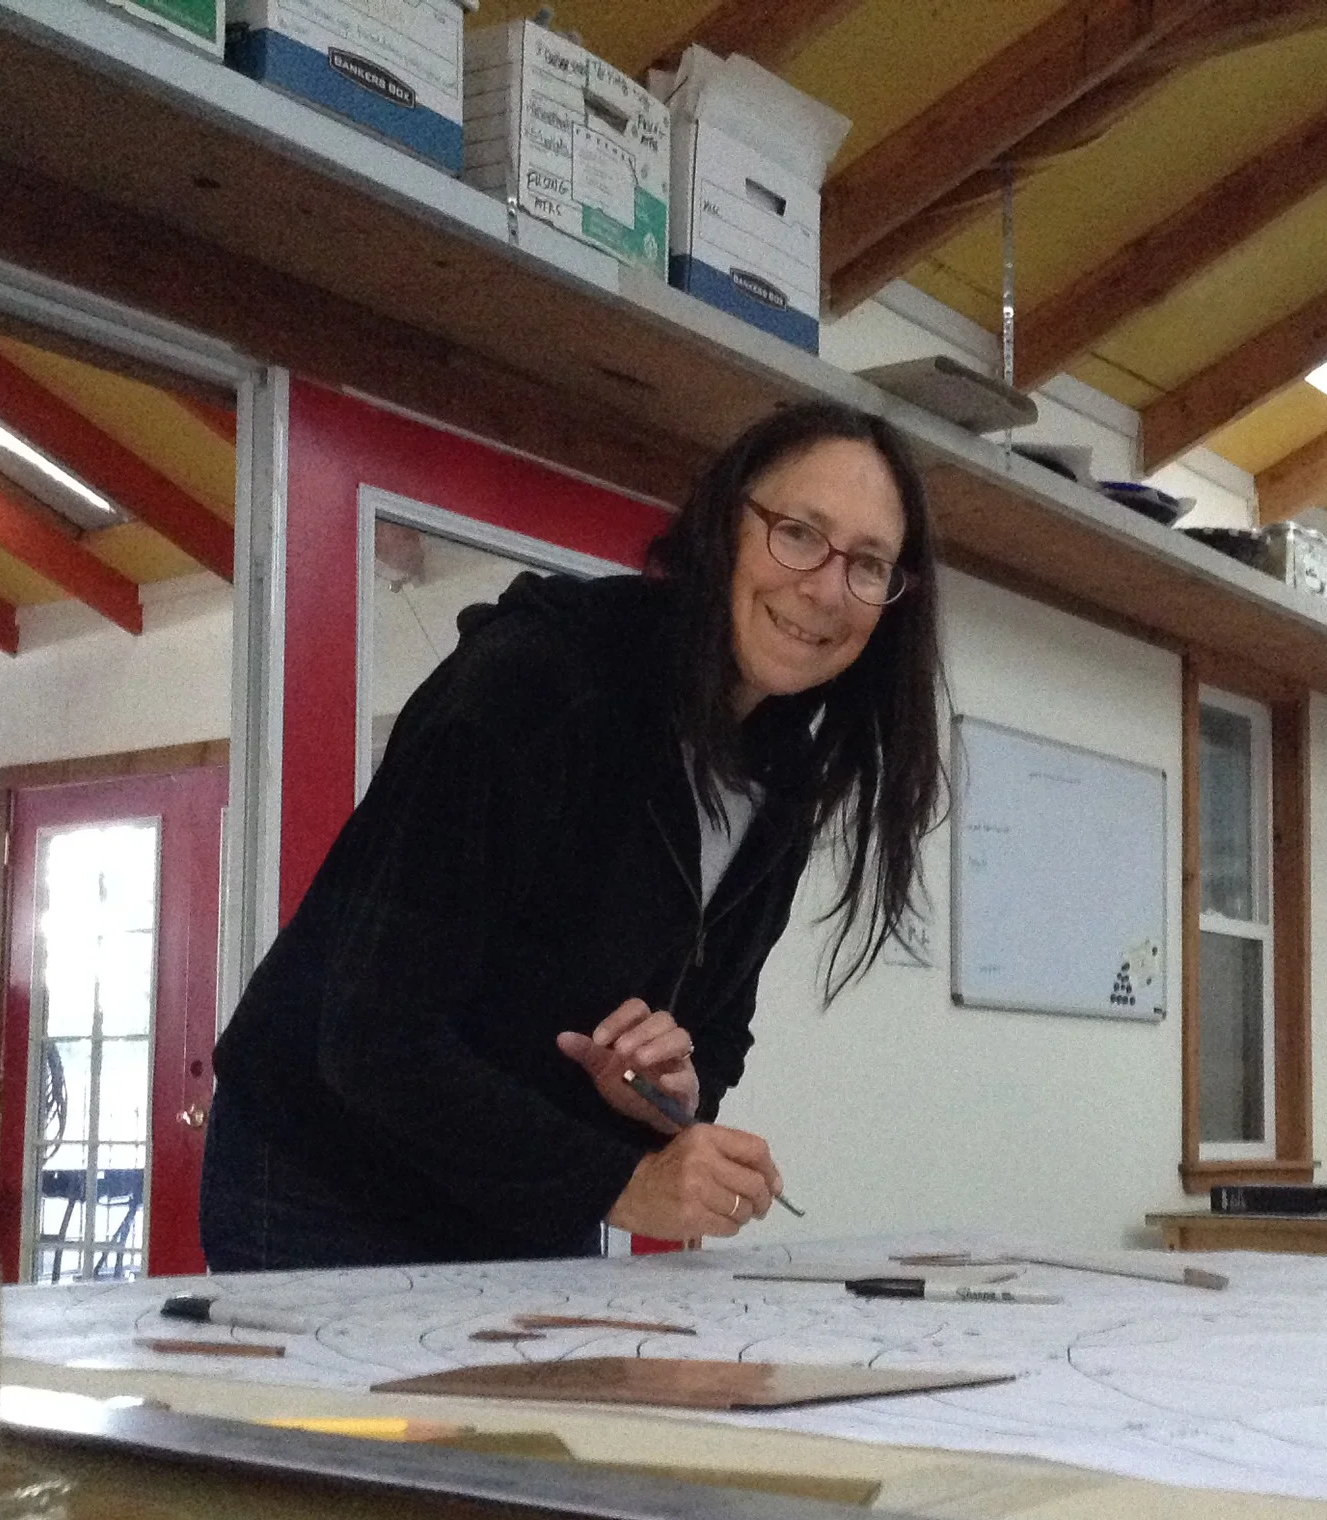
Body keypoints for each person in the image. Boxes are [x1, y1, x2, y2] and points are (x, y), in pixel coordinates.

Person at [200, 401, 945, 1270]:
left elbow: (717, 1034)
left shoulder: (783, 779)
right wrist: (623, 1184)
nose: (825, 588)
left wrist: (670, 1095)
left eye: (869, 564)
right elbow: (372, 1036)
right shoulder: (535, 682)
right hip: (322, 1179)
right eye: (799, 533)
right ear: (724, 526)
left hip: (519, 1194)